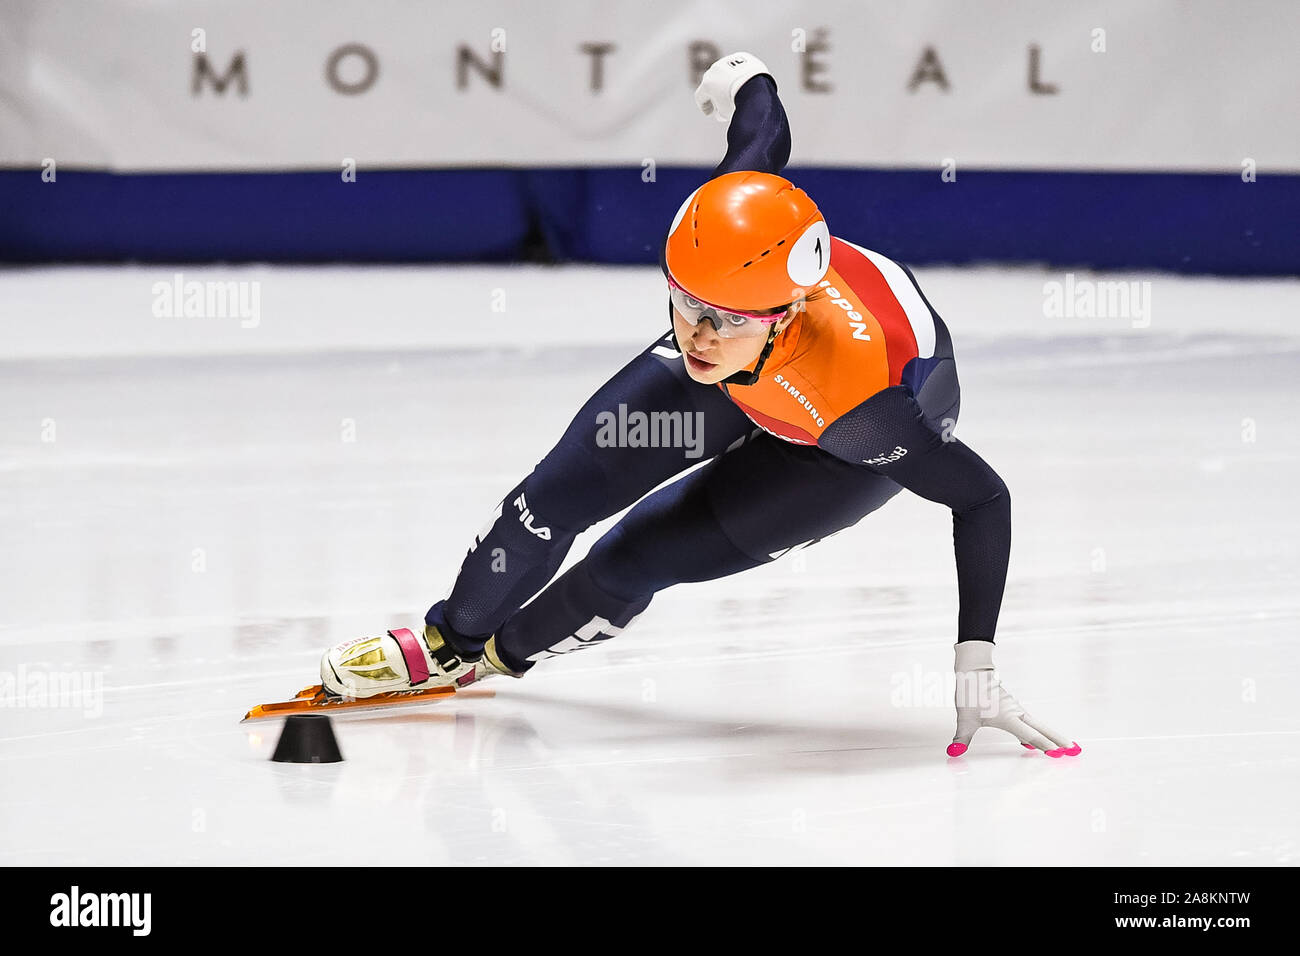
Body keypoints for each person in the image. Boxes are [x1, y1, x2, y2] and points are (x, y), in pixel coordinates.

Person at [321, 52, 1079, 758]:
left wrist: (975, 658)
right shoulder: (726, 259)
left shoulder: (865, 409)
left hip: (832, 446)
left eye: (720, 319)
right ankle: (452, 637)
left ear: (784, 312)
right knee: (553, 496)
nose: (696, 336)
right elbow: (762, 128)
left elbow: (982, 499)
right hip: (762, 379)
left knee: (634, 557)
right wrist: (745, 78)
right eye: (683, 305)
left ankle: (497, 656)